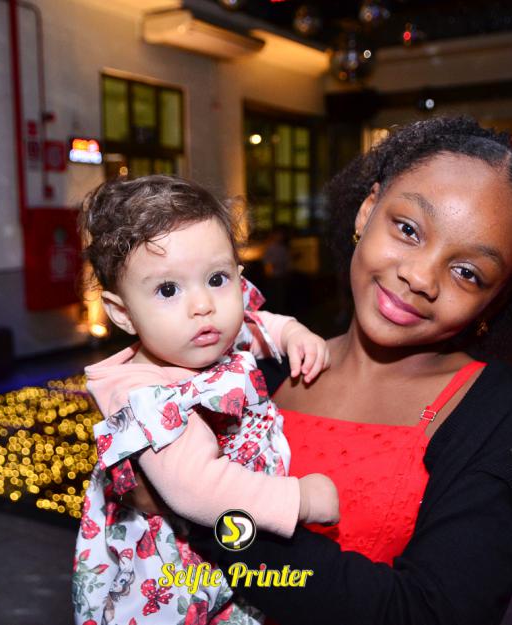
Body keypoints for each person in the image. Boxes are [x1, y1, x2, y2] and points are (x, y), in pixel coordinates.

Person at [157, 116, 512, 625]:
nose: (419, 276)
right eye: (408, 230)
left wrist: (204, 510)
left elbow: (424, 614)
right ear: (368, 209)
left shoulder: (503, 414)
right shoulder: (255, 368)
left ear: (496, 299)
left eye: (467, 272)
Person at [72, 175, 338, 625]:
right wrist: (298, 500)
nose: (203, 305)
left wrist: (292, 333)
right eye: (168, 290)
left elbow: (255, 323)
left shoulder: (206, 335)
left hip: (232, 542)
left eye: (216, 279)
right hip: (178, 574)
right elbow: (195, 488)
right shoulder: (144, 395)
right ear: (123, 313)